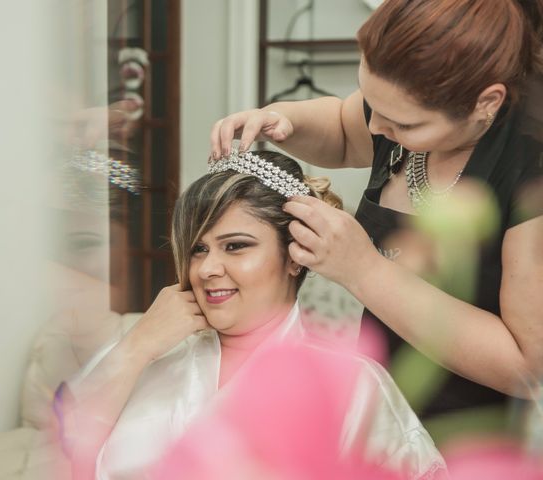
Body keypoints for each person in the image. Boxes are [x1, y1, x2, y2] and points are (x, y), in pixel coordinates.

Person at [210, 0, 543, 439]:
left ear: (487, 102)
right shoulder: (388, 116)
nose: (378, 127)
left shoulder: (530, 164)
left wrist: (363, 270)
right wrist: (280, 118)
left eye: (404, 123)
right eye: (371, 102)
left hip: (479, 437)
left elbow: (527, 367)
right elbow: (345, 131)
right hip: (388, 413)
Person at [54, 150, 446, 479]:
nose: (207, 269)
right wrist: (136, 346)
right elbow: (70, 455)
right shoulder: (148, 360)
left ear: (294, 256)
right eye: (198, 249)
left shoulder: (351, 383)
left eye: (236, 246)